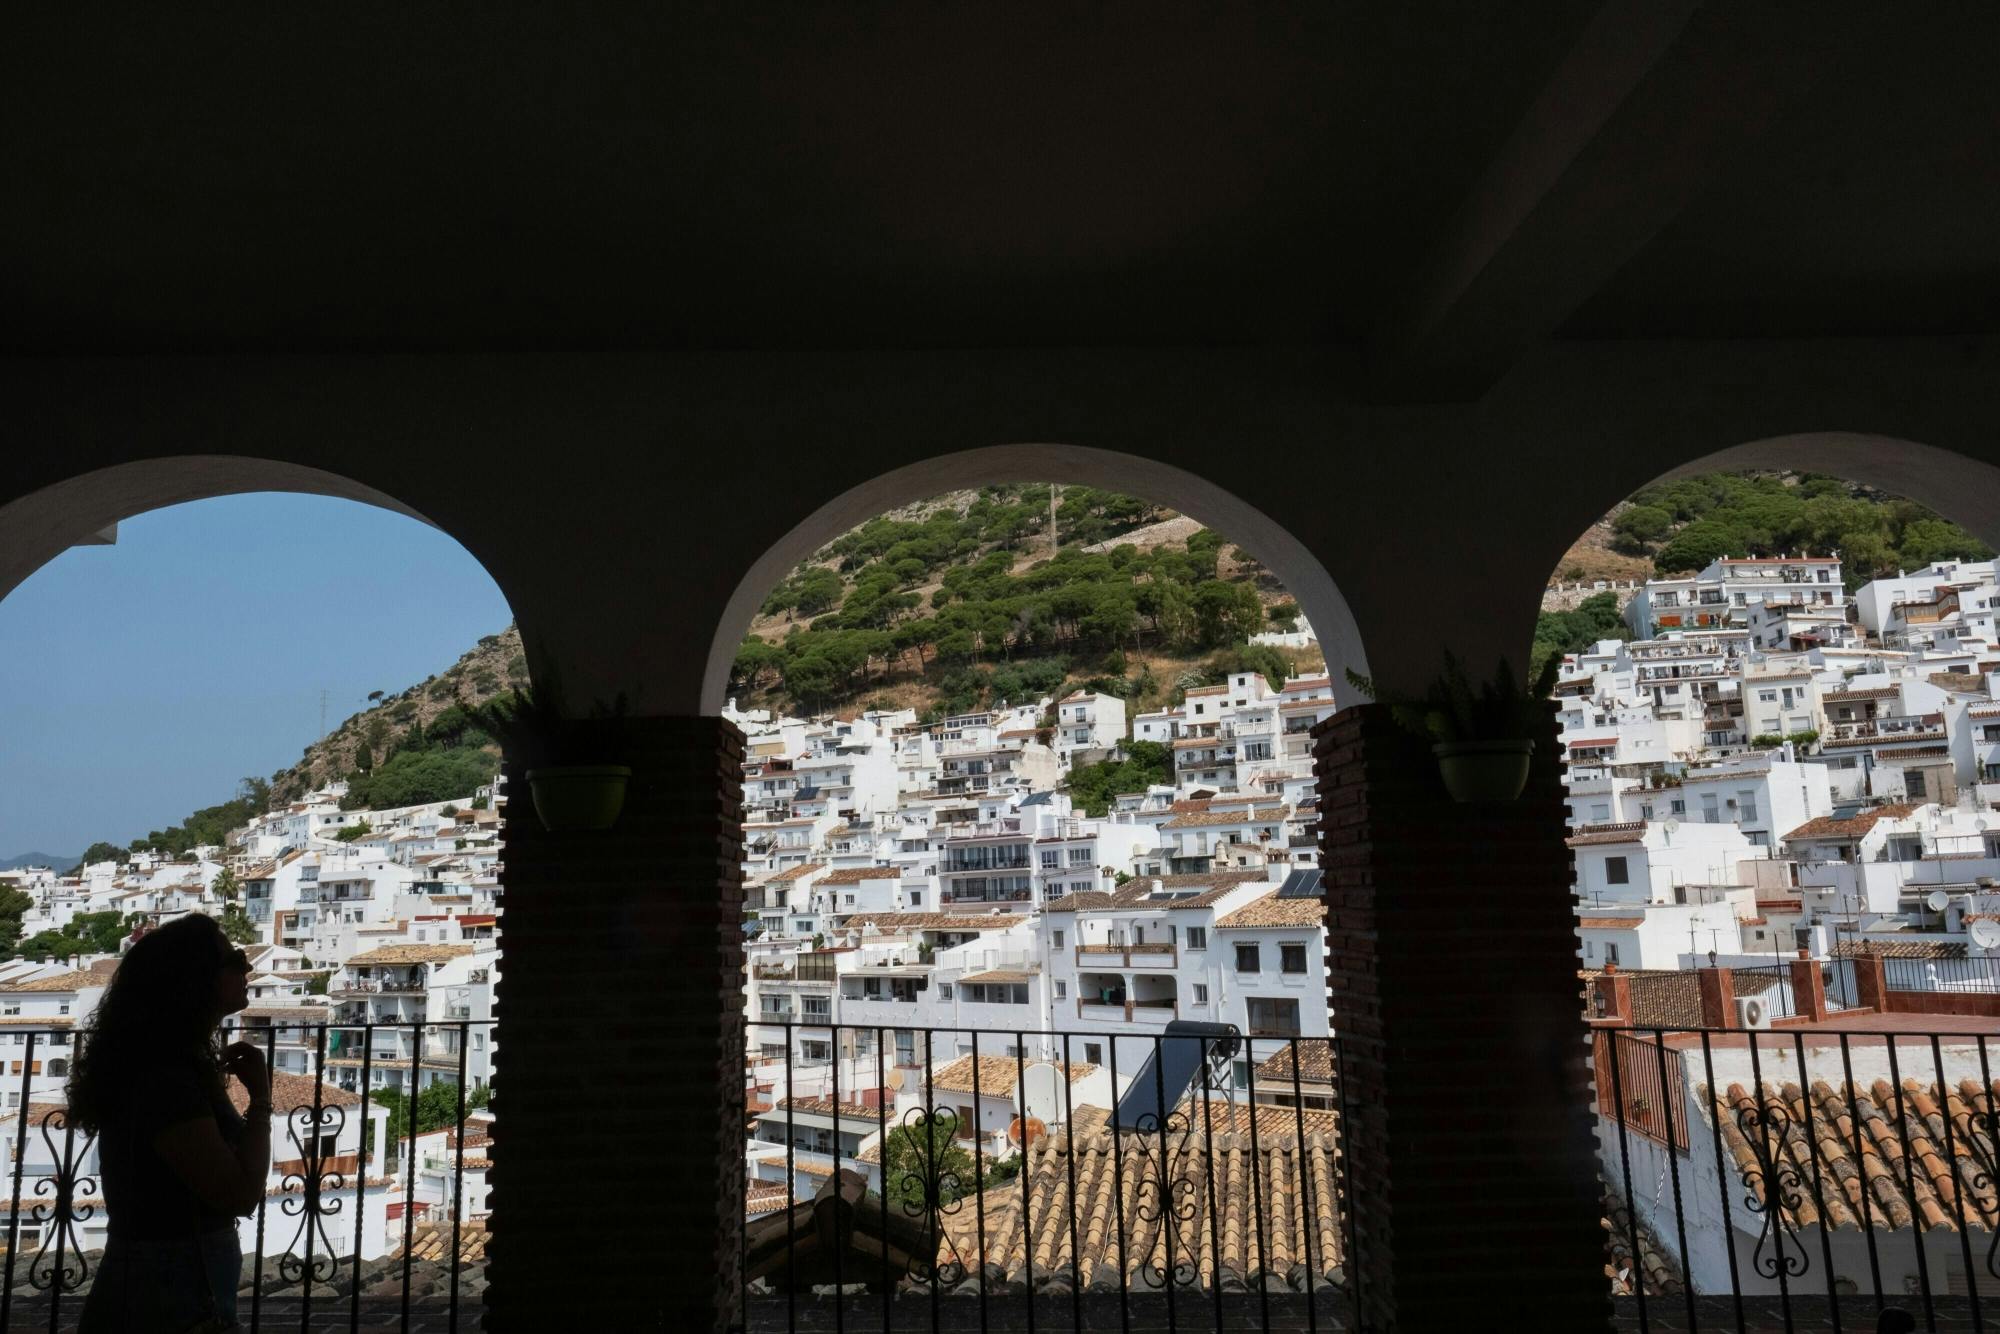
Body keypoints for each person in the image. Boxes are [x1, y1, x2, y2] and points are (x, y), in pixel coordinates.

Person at [71, 914, 272, 1332]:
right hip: (171, 1280)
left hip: (159, 1272)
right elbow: (238, 1194)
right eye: (234, 958)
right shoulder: (167, 1078)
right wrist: (262, 1101)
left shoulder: (163, 1065)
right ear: (195, 979)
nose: (246, 968)